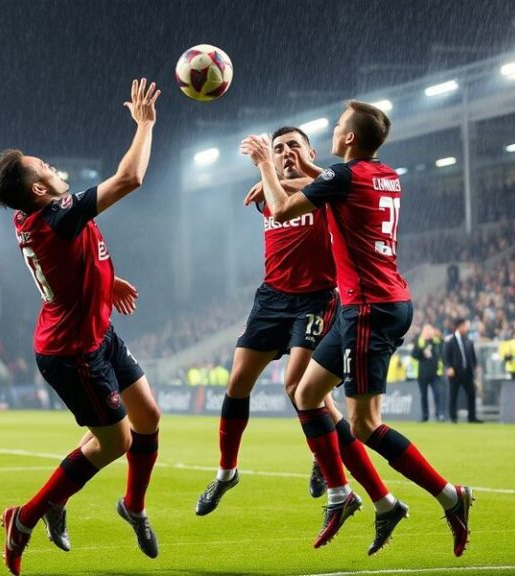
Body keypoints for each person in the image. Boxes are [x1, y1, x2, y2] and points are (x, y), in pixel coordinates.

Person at [240, 100, 473, 557]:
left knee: (366, 425)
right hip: (370, 304)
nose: (333, 129)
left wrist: (268, 166)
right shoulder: (384, 174)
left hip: (370, 309)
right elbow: (325, 176)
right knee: (306, 394)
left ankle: (451, 496)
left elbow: (284, 209)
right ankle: (347, 495)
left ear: (348, 138)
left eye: (339, 126)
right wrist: (294, 170)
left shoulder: (343, 178)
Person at [196, 126, 404, 555]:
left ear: (311, 151)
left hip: (316, 298)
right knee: (238, 382)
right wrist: (271, 174)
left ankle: (337, 477)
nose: (286, 152)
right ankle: (227, 472)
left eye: (294, 145)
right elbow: (280, 198)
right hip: (271, 297)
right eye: (278, 148)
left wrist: (270, 171)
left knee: (298, 387)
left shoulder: (330, 185)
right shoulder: (271, 189)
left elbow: (317, 184)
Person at [0, 79, 161, 576]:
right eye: (45, 168)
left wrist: (105, 280)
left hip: (96, 331)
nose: (54, 168)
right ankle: (25, 517)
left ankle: (133, 506)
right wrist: (145, 123)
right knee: (116, 442)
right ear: (40, 190)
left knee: (148, 416)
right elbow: (130, 178)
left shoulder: (35, 218)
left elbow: (70, 259)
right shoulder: (56, 215)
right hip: (73, 351)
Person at [445, 318, 482, 423]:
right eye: (465, 326)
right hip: (455, 372)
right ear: (459, 327)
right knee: (453, 395)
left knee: (471, 394)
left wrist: (475, 366)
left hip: (467, 372)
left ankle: (472, 417)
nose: (467, 328)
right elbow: (446, 356)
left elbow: (472, 356)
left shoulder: (468, 340)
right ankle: (453, 417)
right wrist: (448, 367)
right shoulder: (450, 340)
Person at [411, 324, 445, 421]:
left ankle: (439, 414)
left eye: (430, 330)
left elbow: (442, 348)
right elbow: (414, 355)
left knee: (438, 393)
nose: (429, 332)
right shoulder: (419, 341)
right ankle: (425, 416)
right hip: (422, 373)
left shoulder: (436, 341)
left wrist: (439, 336)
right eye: (427, 330)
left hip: (435, 373)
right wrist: (422, 350)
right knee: (424, 395)